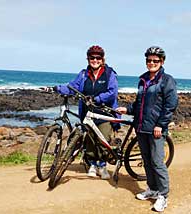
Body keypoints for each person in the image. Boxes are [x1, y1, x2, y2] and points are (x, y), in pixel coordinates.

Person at [116, 46, 178, 212]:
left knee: (157, 162)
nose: (152, 63)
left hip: (156, 128)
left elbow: (170, 105)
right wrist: (128, 110)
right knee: (147, 161)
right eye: (149, 60)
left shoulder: (167, 80)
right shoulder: (143, 79)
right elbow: (139, 103)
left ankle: (163, 195)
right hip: (141, 126)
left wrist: (161, 124)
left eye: (155, 60)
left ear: (162, 62)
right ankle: (152, 189)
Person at [46, 45, 118, 180]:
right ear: (88, 59)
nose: (95, 60)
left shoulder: (109, 74)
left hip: (104, 112)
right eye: (92, 57)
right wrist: (55, 88)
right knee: (89, 139)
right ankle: (92, 164)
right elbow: (73, 87)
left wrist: (97, 98)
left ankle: (102, 166)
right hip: (87, 112)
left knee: (102, 138)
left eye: (98, 57)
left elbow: (112, 92)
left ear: (102, 59)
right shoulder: (84, 74)